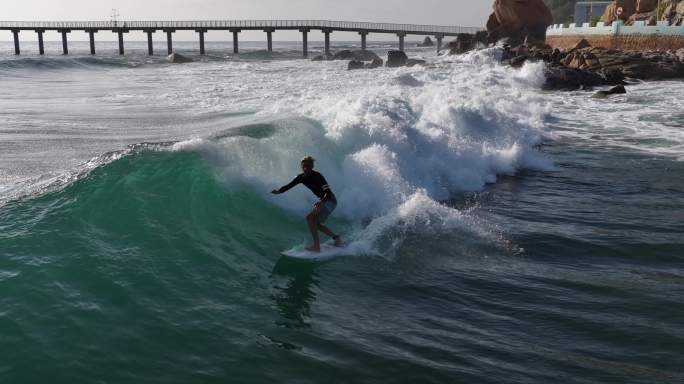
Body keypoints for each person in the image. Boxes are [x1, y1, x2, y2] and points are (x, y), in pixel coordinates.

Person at [272, 156, 342, 252]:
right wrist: (279, 191)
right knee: (315, 223)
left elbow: (328, 192)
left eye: (308, 166)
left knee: (310, 218)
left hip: (330, 201)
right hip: (323, 201)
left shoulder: (318, 176)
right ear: (301, 166)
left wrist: (321, 202)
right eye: (304, 166)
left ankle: (317, 246)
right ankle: (336, 238)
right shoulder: (300, 177)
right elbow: (289, 186)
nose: (306, 168)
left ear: (312, 166)